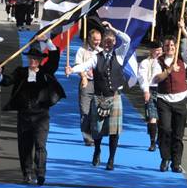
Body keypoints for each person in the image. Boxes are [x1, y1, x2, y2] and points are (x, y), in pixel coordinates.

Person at [0, 35, 64, 185]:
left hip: (41, 115)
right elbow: (7, 80)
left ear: (40, 60)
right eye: (30, 58)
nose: (32, 61)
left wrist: (47, 40)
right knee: (25, 146)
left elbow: (54, 59)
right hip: (24, 115)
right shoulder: (20, 72)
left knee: (40, 145)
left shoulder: (46, 71)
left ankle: (40, 173)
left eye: (35, 59)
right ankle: (27, 174)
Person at [67, 22, 130, 170]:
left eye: (111, 41)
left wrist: (113, 29)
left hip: (115, 97)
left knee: (115, 131)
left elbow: (127, 40)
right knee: (97, 129)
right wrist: (72, 70)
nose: (108, 44)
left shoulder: (119, 55)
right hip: (100, 97)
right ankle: (97, 150)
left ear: (114, 43)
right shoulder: (96, 57)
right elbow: (84, 66)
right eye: (105, 42)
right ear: (102, 43)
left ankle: (111, 159)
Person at [150, 20, 187, 173]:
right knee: (165, 129)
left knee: (178, 134)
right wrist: (170, 69)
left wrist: (183, 30)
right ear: (163, 48)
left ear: (176, 46)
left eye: (172, 46)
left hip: (180, 100)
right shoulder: (158, 62)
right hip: (164, 100)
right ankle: (165, 158)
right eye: (167, 46)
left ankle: (176, 163)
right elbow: (157, 78)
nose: (170, 48)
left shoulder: (182, 59)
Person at [72, 27, 102, 146]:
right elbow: (78, 65)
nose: (97, 42)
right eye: (95, 39)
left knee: (97, 112)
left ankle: (96, 134)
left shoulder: (101, 52)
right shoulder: (82, 51)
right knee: (85, 111)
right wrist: (83, 76)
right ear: (89, 38)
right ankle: (87, 137)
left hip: (99, 84)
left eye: (99, 40)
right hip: (87, 83)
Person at [137, 40, 163, 152]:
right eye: (156, 50)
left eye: (160, 50)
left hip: (163, 91)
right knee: (152, 117)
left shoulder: (165, 62)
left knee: (162, 118)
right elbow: (142, 78)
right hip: (151, 90)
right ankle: (152, 142)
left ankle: (160, 139)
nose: (158, 52)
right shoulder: (145, 63)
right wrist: (146, 91)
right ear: (151, 51)